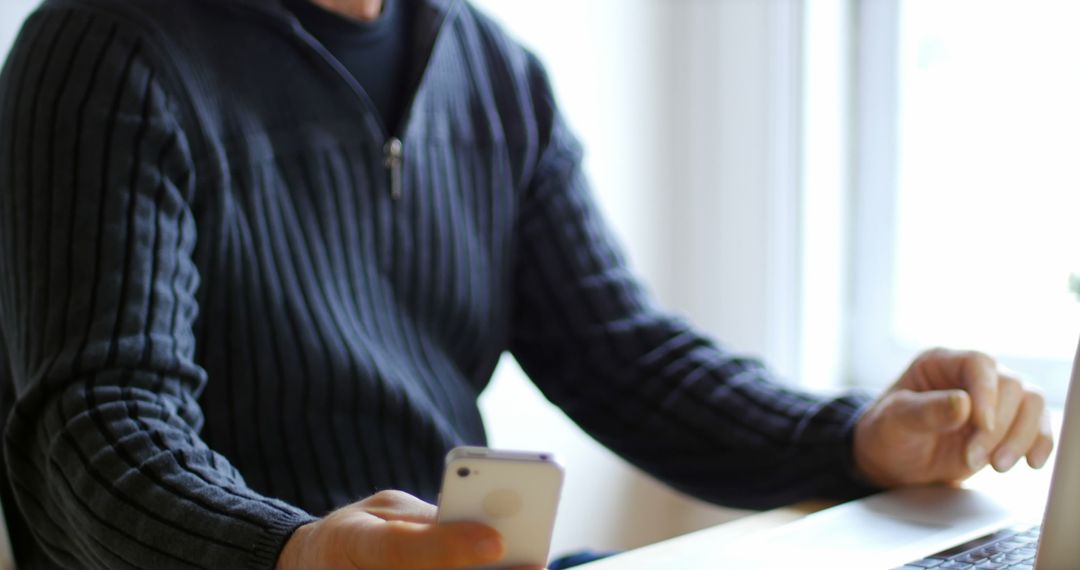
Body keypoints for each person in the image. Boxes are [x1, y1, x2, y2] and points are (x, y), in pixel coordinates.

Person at [0, 0, 1053, 568]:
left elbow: (616, 351)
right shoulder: (102, 49)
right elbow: (95, 428)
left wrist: (858, 438)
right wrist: (294, 555)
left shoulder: (491, 69)